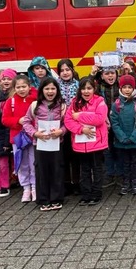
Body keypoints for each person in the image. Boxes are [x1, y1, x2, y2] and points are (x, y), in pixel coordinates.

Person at [22, 77, 66, 211]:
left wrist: (61, 131)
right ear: (42, 90)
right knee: (41, 171)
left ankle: (56, 198)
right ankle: (43, 199)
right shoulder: (35, 106)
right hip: (40, 144)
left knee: (56, 170)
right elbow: (26, 122)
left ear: (57, 90)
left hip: (57, 143)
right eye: (47, 88)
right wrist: (35, 133)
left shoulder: (62, 106)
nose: (50, 91)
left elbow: (67, 124)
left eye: (53, 88)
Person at [65, 76, 109, 205]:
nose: (86, 91)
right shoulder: (74, 103)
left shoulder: (100, 101)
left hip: (97, 143)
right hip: (80, 143)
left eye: (89, 88)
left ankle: (96, 193)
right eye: (83, 88)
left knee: (97, 169)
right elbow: (68, 120)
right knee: (84, 170)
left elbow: (99, 119)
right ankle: (86, 194)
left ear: (94, 89)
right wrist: (80, 129)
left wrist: (80, 116)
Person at [2, 75, 37, 202]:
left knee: (33, 163)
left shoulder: (35, 100)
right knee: (22, 163)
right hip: (18, 138)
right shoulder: (10, 102)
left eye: (24, 86)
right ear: (14, 88)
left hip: (33, 136)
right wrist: (18, 120)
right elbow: (5, 120)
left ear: (29, 86)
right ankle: (26, 188)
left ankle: (35, 187)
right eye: (18, 87)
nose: (21, 89)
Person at [111, 75, 136, 196]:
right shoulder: (116, 104)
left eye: (129, 87)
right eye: (124, 87)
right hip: (122, 141)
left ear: (133, 88)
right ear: (120, 88)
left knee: (135, 162)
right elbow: (114, 123)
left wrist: (134, 137)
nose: (127, 90)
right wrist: (122, 137)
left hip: (135, 141)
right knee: (124, 163)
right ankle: (126, 183)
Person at [57, 59, 80, 195]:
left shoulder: (78, 85)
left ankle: (77, 183)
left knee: (76, 156)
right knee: (63, 156)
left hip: (76, 125)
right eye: (62, 70)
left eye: (67, 69)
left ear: (72, 70)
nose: (65, 73)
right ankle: (66, 184)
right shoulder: (54, 85)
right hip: (59, 126)